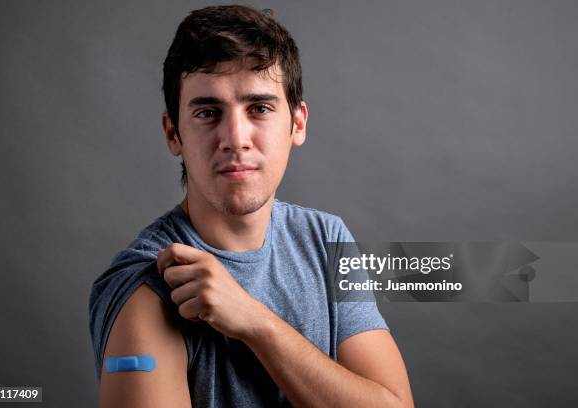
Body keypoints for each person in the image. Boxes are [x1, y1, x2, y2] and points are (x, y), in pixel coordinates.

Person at [89, 5, 413, 407]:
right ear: (174, 134)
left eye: (259, 108)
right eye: (208, 112)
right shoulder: (149, 288)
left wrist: (255, 322)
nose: (235, 137)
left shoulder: (327, 238)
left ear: (297, 123)